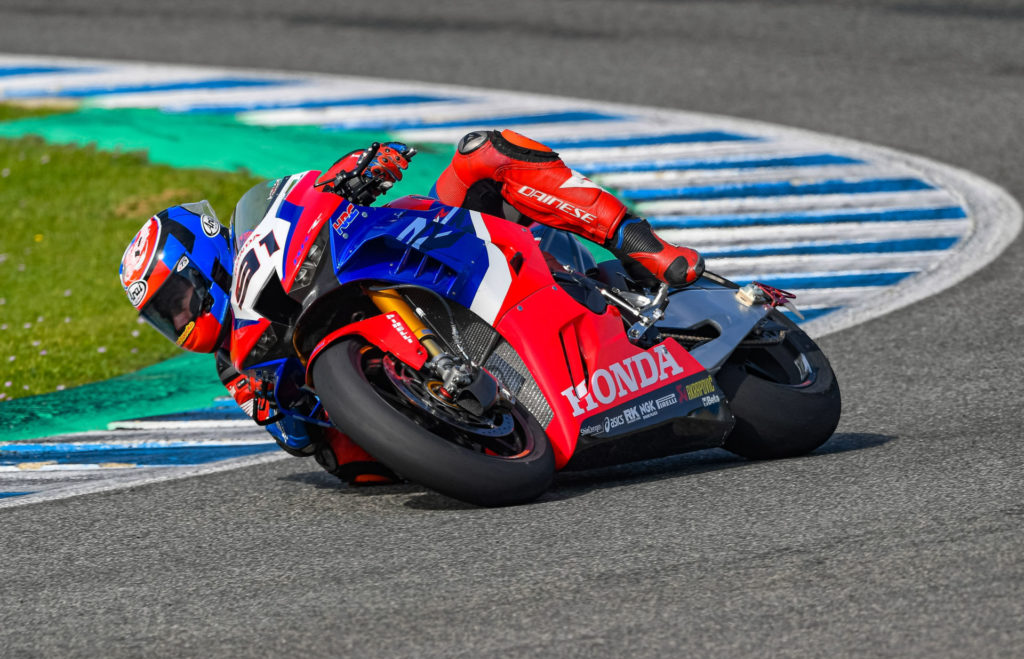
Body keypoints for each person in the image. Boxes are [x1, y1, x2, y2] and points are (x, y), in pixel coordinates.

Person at [118, 129, 705, 484]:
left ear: (207, 263)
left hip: (436, 245)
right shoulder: (239, 369)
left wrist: (358, 169)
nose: (178, 320)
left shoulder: (266, 230)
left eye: (177, 299)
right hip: (435, 406)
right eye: (163, 316)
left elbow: (321, 193)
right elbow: (314, 447)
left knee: (482, 152)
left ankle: (648, 251)